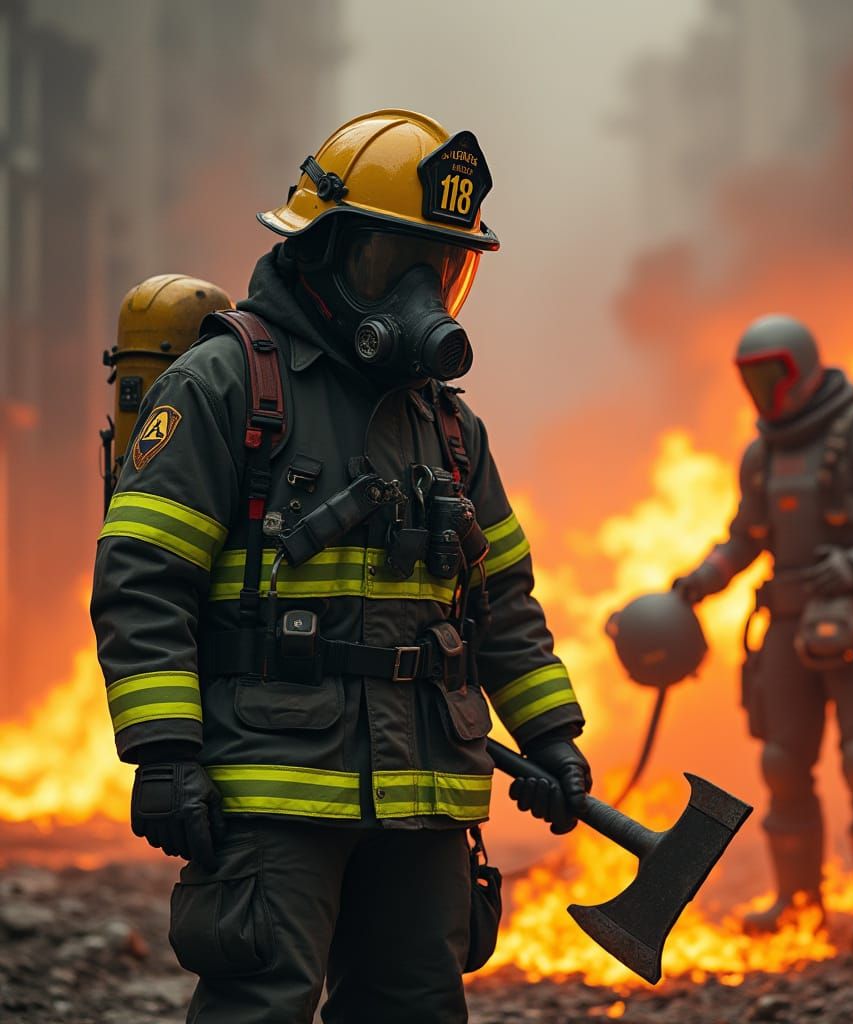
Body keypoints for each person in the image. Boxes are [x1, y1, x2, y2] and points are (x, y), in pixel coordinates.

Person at [91, 109, 591, 1024]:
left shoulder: (448, 426)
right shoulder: (226, 385)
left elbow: (504, 603)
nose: (420, 296)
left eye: (442, 270)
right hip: (275, 789)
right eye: (391, 264)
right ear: (322, 250)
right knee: (262, 1005)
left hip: (426, 793)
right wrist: (164, 754)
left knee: (413, 1009)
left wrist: (552, 733)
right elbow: (142, 581)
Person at [674, 314, 853, 951]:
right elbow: (746, 537)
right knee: (781, 764)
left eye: (773, 374)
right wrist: (698, 582)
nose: (764, 390)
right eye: (752, 378)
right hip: (787, 627)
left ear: (804, 367)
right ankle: (799, 903)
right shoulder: (762, 454)